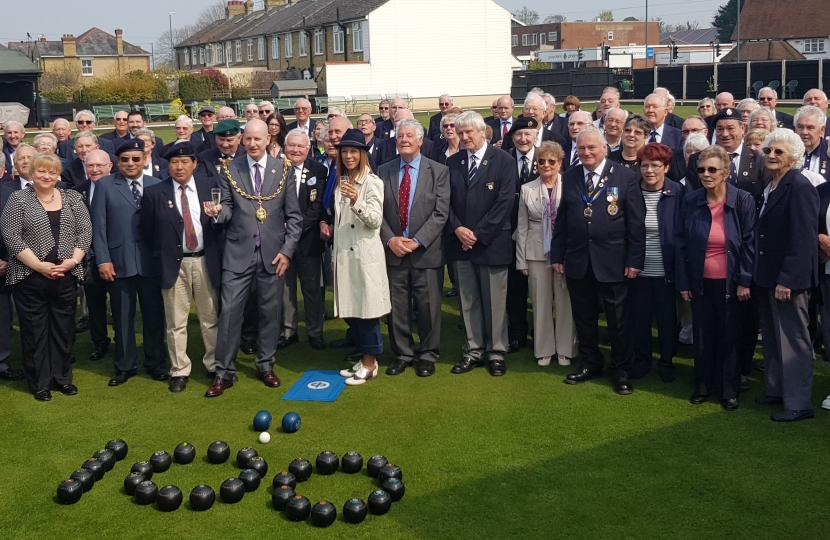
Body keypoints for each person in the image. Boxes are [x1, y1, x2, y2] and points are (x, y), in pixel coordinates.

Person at [203, 119, 302, 397]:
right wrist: (216, 213)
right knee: (230, 313)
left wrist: (287, 251)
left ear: (268, 140)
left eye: (258, 139)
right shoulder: (229, 169)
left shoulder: (283, 169)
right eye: (248, 139)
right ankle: (224, 372)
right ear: (242, 141)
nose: (253, 144)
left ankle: (266, 365)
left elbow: (294, 217)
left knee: (270, 313)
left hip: (273, 254)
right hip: (238, 253)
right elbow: (228, 209)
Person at [551, 127, 645, 395]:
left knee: (618, 320)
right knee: (584, 318)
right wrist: (558, 255)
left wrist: (634, 260)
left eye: (592, 147)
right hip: (578, 259)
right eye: (581, 148)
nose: (586, 152)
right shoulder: (569, 177)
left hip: (614, 261)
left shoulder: (625, 176)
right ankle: (591, 363)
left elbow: (636, 224)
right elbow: (563, 220)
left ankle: (621, 369)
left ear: (605, 148)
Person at [1, 153, 91, 401]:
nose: (46, 176)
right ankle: (39, 382)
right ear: (31, 172)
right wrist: (39, 266)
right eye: (41, 171)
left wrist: (72, 261)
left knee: (63, 330)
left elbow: (84, 231)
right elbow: (11, 236)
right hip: (29, 278)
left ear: (58, 174)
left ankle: (62, 378)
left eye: (51, 172)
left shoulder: (72, 197)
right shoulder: (18, 199)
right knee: (34, 332)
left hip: (66, 275)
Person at [676, 145, 756, 410]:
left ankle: (728, 389)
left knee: (729, 336)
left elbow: (749, 243)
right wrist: (684, 282)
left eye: (712, 169)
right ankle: (702, 386)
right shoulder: (690, 200)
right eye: (701, 170)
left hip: (732, 283)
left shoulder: (743, 200)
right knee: (703, 335)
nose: (706, 174)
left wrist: (744, 280)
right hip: (700, 281)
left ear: (726, 172)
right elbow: (681, 244)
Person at [140, 142, 223, 393]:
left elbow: (221, 224)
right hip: (173, 264)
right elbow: (147, 231)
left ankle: (214, 364)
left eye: (185, 161)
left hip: (205, 261)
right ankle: (179, 370)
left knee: (210, 319)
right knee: (176, 322)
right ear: (168, 165)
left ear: (195, 164)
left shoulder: (211, 188)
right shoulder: (156, 192)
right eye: (174, 162)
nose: (179, 166)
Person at [90, 139, 168, 386]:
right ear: (117, 162)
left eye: (136, 159)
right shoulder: (104, 185)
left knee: (154, 316)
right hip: (118, 261)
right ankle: (124, 365)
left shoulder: (158, 184)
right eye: (125, 160)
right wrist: (103, 260)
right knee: (122, 317)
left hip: (151, 263)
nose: (131, 163)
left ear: (145, 159)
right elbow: (98, 227)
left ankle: (155, 362)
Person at [754, 129, 819, 422]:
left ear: (793, 156)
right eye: (768, 150)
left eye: (779, 151)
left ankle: (798, 402)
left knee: (793, 340)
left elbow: (804, 239)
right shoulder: (772, 183)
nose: (771, 155)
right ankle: (777, 389)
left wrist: (788, 279)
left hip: (788, 280)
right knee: (772, 337)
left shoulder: (800, 186)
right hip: (768, 276)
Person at [446, 112, 517, 377]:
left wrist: (477, 234)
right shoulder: (452, 163)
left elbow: (504, 203)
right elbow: (446, 203)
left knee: (495, 302)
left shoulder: (504, 161)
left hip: (492, 243)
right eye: (460, 133)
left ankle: (496, 352)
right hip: (460, 244)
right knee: (468, 301)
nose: (464, 137)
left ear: (482, 131)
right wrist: (458, 229)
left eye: (469, 133)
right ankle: (473, 350)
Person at [378, 120, 450, 377]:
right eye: (400, 136)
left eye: (410, 136)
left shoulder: (439, 171)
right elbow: (378, 212)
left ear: (421, 141)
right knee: (397, 308)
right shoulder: (383, 170)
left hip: (426, 253)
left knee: (428, 307)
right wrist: (391, 240)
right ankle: (403, 353)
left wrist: (417, 241)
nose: (404, 139)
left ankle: (428, 354)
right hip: (394, 252)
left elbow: (441, 213)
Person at [330, 129, 390, 385]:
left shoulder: (372, 182)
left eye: (354, 151)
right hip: (344, 254)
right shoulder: (341, 178)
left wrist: (357, 202)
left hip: (364, 256)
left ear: (363, 154)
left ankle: (371, 362)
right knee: (352, 311)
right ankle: (363, 357)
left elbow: (376, 220)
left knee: (367, 311)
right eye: (344, 151)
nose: (349, 155)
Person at [515, 140, 576, 366]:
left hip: (565, 253)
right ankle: (544, 349)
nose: (547, 165)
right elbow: (521, 227)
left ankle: (565, 349)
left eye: (552, 161)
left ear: (560, 163)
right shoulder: (526, 188)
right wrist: (521, 260)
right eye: (542, 161)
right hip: (535, 252)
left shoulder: (570, 185)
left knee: (564, 301)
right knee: (540, 302)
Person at [629, 143, 683, 382]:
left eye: (655, 165)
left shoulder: (677, 193)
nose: (649, 170)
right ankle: (642, 360)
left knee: (667, 320)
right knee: (639, 319)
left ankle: (666, 361)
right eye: (645, 165)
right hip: (637, 270)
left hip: (666, 271)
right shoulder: (631, 191)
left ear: (666, 167)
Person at [278, 129, 329, 351]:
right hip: (281, 241)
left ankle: (315, 332)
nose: (296, 150)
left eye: (300, 146)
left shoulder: (319, 170)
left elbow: (317, 207)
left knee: (312, 290)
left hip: (308, 240)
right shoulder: (275, 169)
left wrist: (295, 228)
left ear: (308, 149)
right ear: (285, 147)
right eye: (292, 146)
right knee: (285, 290)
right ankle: (288, 331)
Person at [72, 149, 112, 362]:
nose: (95, 169)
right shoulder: (78, 192)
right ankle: (100, 341)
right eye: (90, 166)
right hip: (89, 258)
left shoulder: (119, 188)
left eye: (99, 165)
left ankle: (123, 341)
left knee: (119, 303)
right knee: (95, 305)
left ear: (109, 167)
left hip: (115, 258)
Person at [795, 105, 829, 183]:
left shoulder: (828, 153)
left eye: (810, 127)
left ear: (822, 130)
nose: (804, 132)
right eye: (800, 127)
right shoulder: (784, 152)